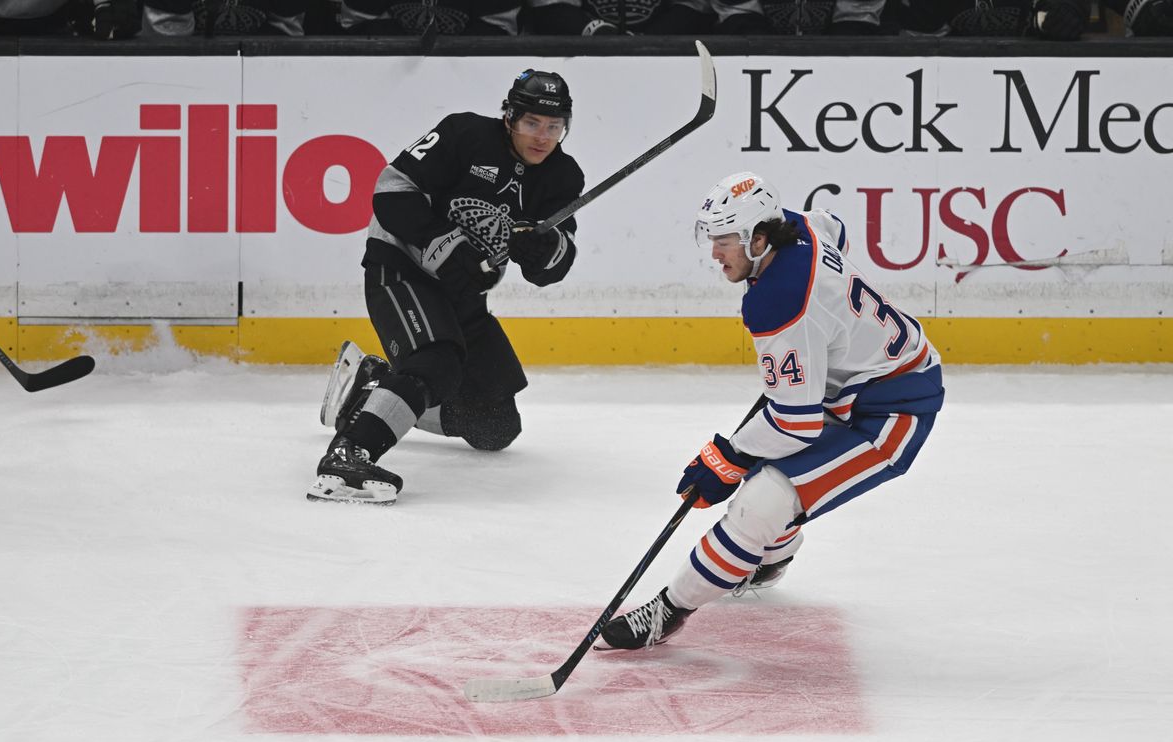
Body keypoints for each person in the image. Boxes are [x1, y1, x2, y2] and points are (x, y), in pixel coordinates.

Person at [597, 172, 944, 650]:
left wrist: (726, 456)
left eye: (724, 240)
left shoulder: (780, 301)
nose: (715, 252)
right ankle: (770, 557)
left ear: (760, 239)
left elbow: (794, 423)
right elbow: (832, 227)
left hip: (893, 413)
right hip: (853, 385)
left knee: (762, 500)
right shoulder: (799, 226)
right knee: (764, 464)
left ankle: (670, 609)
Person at [307, 69, 585, 505]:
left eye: (554, 126)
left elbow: (555, 264)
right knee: (436, 362)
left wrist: (544, 248)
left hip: (464, 292)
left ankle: (372, 391)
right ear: (509, 116)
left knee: (494, 426)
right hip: (403, 269)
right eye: (532, 122)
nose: (543, 137)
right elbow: (391, 188)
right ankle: (348, 454)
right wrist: (443, 241)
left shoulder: (562, 176)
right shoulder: (465, 134)